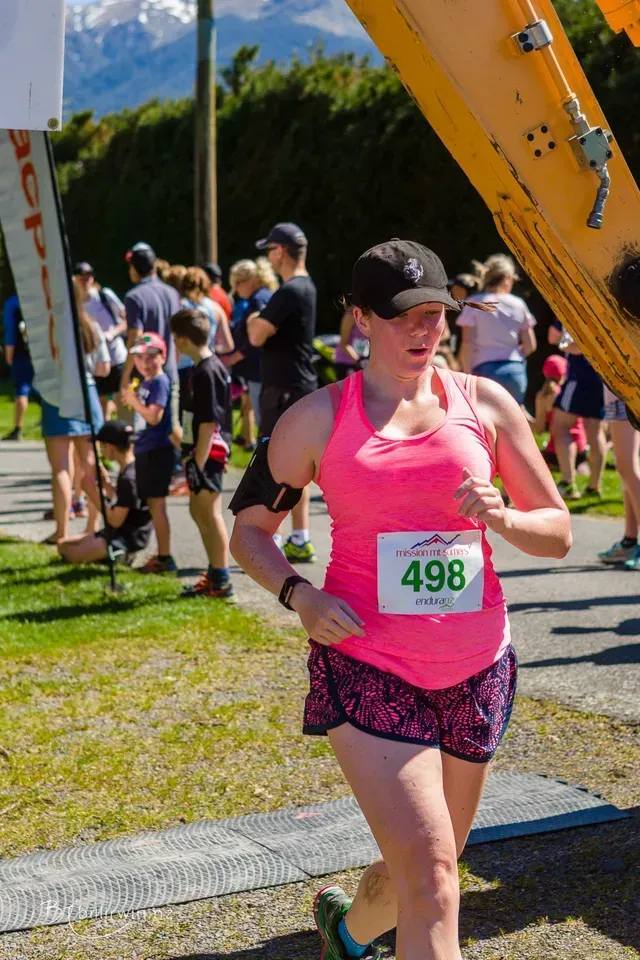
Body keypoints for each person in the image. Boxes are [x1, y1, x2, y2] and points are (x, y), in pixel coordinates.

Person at [230, 239, 571, 960]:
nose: (422, 330)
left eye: (434, 314)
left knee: (423, 865)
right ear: (359, 320)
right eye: (401, 316)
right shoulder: (316, 420)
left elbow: (559, 532)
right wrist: (298, 594)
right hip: (369, 665)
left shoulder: (487, 404)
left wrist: (504, 518)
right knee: (438, 881)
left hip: (478, 667)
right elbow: (249, 531)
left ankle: (347, 933)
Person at [248, 221, 318, 563]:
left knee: (275, 463)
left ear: (280, 251)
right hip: (296, 386)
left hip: (284, 390)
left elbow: (256, 335)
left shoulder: (289, 291)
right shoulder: (305, 287)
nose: (268, 258)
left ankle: (270, 537)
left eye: (270, 250)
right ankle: (299, 536)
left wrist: (252, 319)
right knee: (298, 465)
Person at [170, 308, 235, 601]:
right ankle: (214, 572)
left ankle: (221, 579)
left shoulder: (209, 371)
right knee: (197, 511)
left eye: (174, 338)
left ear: (182, 339)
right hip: (198, 453)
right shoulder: (201, 368)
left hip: (208, 454)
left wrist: (198, 463)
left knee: (209, 513)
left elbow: (210, 422)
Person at [42, 282, 110, 544]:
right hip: (87, 392)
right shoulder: (89, 324)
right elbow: (103, 367)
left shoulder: (47, 328)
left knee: (60, 467)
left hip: (57, 395)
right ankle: (94, 525)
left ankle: (62, 532)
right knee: (90, 465)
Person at [57, 420, 152, 566]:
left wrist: (93, 493)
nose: (100, 449)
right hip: (116, 532)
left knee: (72, 555)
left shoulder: (129, 478)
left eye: (101, 445)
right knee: (62, 545)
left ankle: (122, 555)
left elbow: (115, 520)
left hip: (126, 539)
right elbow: (124, 500)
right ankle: (108, 555)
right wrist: (106, 483)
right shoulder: (130, 467)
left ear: (110, 446)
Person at [122, 332, 177, 574]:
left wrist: (133, 402)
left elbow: (154, 416)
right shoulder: (146, 381)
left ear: (163, 356)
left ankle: (165, 557)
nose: (145, 362)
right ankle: (159, 554)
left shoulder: (160, 382)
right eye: (139, 357)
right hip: (145, 450)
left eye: (151, 356)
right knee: (152, 506)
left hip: (157, 452)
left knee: (157, 506)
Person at [120, 242, 182, 445]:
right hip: (170, 369)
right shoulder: (172, 293)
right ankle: (185, 468)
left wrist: (126, 374)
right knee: (171, 427)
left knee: (145, 428)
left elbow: (135, 337)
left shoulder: (134, 296)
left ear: (134, 268)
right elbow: (178, 334)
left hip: (144, 374)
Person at [457, 253, 537, 405]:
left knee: (485, 422)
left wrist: (467, 373)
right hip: (515, 371)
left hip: (485, 370)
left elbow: (467, 344)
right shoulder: (518, 304)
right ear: (507, 278)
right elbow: (530, 346)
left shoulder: (475, 304)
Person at [226, 257, 279, 445]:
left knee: (262, 420)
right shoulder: (263, 296)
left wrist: (233, 358)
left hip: (259, 370)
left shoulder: (258, 300)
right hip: (261, 368)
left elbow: (255, 339)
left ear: (251, 280)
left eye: (237, 284)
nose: (237, 290)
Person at [549, 327, 605, 499]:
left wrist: (564, 344)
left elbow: (554, 337)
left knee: (560, 427)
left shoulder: (572, 304)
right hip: (601, 377)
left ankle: (568, 483)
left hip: (580, 377)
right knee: (595, 431)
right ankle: (594, 486)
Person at [73, 261, 128, 419]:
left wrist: (113, 333)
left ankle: (125, 439)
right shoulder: (75, 304)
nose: (86, 281)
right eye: (82, 278)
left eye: (89, 277)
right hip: (95, 362)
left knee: (122, 403)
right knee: (100, 407)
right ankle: (105, 441)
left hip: (116, 356)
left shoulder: (104, 296)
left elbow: (126, 320)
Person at [597, 387, 640, 569]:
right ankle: (629, 542)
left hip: (626, 391)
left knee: (627, 467)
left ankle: (630, 543)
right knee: (626, 471)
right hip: (623, 392)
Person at [533, 354, 587, 481]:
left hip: (555, 454)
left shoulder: (543, 396)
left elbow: (539, 429)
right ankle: (579, 466)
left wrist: (523, 415)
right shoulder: (573, 391)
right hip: (581, 450)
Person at [2, 292, 36, 441]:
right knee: (37, 387)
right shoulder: (40, 299)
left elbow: (10, 330)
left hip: (21, 353)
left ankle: (17, 428)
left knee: (21, 388)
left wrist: (9, 353)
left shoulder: (13, 303)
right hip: (41, 352)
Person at [333, 305, 362, 380]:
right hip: (346, 362)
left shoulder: (373, 315)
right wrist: (360, 362)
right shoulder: (350, 315)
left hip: (362, 363)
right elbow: (344, 344)